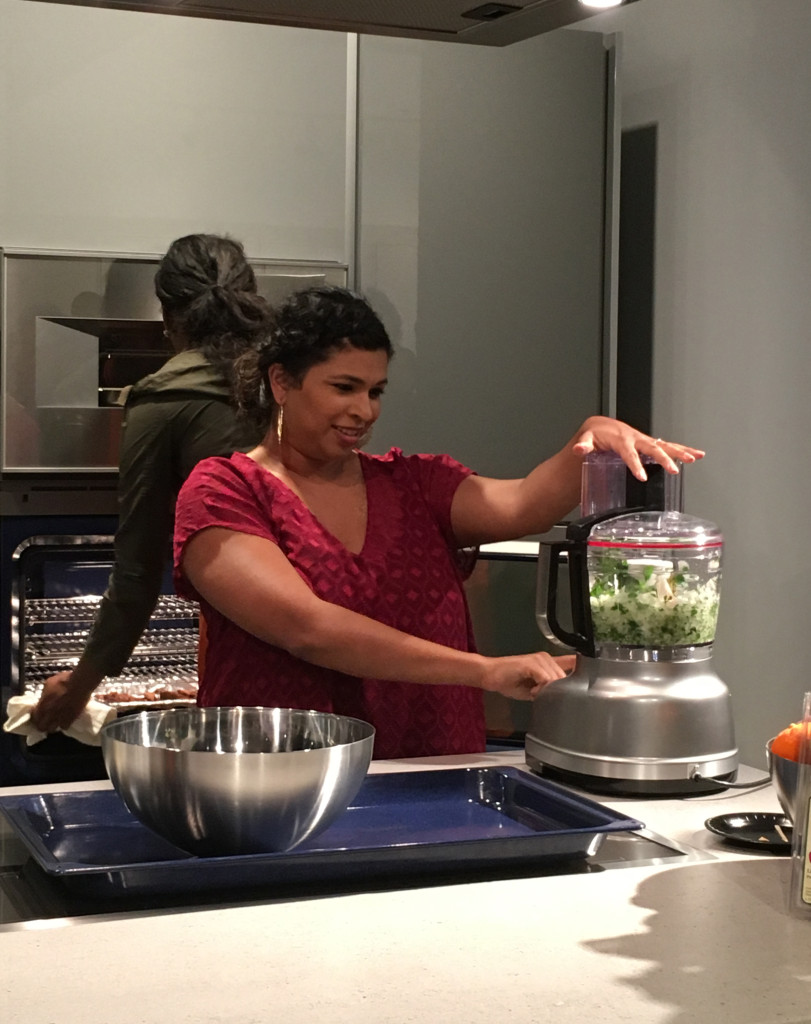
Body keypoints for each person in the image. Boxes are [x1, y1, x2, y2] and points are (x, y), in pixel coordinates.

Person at [173, 285, 704, 760]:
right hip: (288, 783)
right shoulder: (224, 490)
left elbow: (524, 505)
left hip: (435, 769)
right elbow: (307, 628)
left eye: (375, 391)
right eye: (344, 387)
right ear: (282, 382)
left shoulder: (414, 485)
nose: (365, 410)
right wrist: (485, 671)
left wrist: (588, 441)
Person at [32, 233, 272, 733]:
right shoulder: (292, 381)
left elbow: (139, 567)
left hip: (246, 630)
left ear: (168, 317)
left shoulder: (162, 399)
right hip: (336, 621)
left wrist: (80, 684)